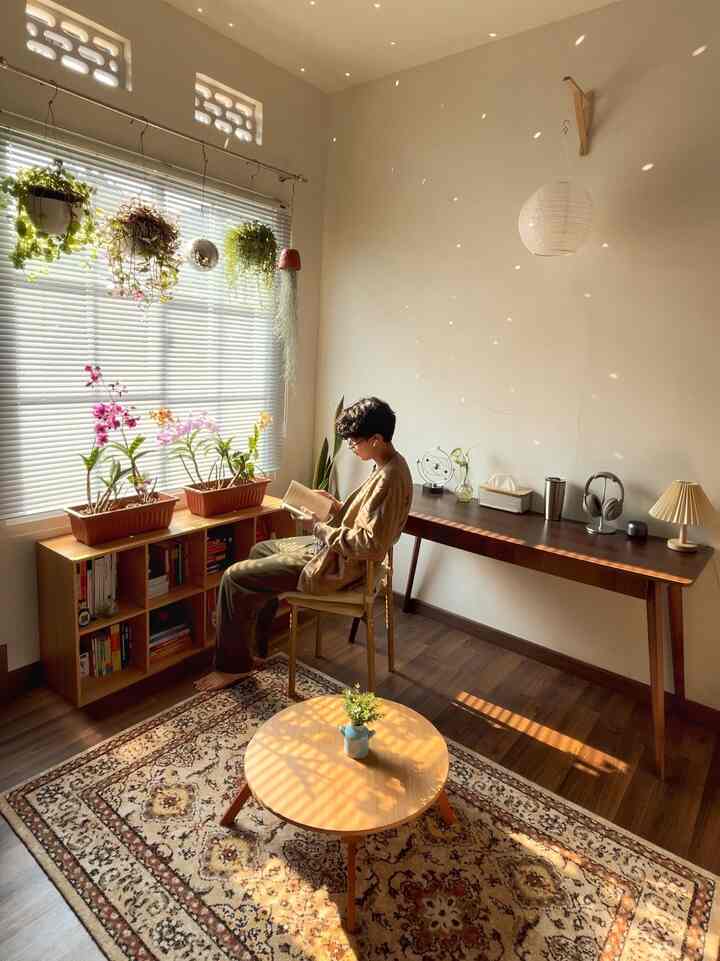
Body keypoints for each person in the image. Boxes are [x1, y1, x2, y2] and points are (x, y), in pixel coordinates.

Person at [195, 397, 413, 692]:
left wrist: (319, 528)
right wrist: (335, 507)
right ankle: (255, 650)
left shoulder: (391, 479)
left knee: (234, 577)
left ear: (375, 440)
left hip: (340, 567)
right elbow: (365, 524)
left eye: (353, 441)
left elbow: (371, 544)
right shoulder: (387, 464)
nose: (350, 446)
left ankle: (232, 667)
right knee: (259, 551)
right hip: (336, 554)